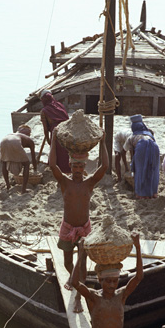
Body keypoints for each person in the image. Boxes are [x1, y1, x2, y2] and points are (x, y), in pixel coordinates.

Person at [49, 129, 109, 312]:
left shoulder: (89, 183)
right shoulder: (64, 183)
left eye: (81, 167)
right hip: (67, 228)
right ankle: (72, 277)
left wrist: (103, 142)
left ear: (85, 167)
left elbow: (104, 166)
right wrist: (53, 140)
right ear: (70, 165)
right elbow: (52, 165)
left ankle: (77, 294)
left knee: (82, 262)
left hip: (84, 229)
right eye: (75, 167)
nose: (77, 170)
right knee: (67, 261)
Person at [123, 114, 160, 199]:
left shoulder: (132, 137)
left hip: (141, 147)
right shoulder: (150, 134)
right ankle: (153, 193)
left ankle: (140, 194)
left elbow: (126, 150)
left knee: (140, 171)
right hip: (154, 147)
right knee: (153, 169)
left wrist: (133, 165)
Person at [0, 124, 37, 194]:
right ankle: (23, 190)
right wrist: (35, 168)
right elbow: (33, 157)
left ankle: (8, 185)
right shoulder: (29, 139)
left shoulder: (14, 134)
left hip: (3, 140)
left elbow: (13, 152)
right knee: (26, 164)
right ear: (28, 134)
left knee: (4, 162)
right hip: (15, 142)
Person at [40, 89, 70, 173]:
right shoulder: (60, 105)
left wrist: (48, 140)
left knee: (57, 151)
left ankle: (59, 171)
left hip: (56, 132)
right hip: (66, 130)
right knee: (65, 151)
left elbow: (45, 129)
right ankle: (68, 170)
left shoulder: (44, 111)